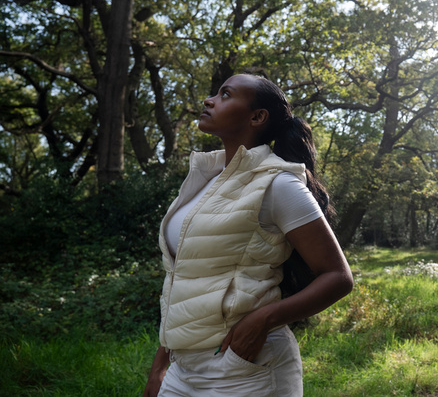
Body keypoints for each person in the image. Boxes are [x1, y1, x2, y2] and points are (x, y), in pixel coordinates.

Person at [143, 73, 354, 396]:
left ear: (257, 117)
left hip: (245, 366)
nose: (209, 100)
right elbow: (183, 279)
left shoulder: (278, 183)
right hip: (183, 369)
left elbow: (338, 276)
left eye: (225, 95)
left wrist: (264, 319)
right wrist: (161, 364)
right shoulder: (204, 181)